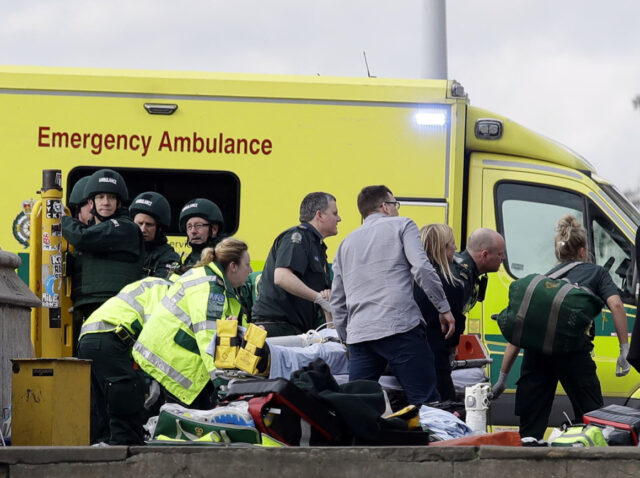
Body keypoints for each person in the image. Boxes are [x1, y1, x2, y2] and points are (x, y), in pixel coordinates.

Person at [491, 214, 631, 440]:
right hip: (573, 354)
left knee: (530, 430)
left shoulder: (546, 280)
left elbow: (521, 330)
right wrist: (624, 349)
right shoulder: (597, 272)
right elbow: (616, 304)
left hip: (536, 356)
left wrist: (502, 378)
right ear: (583, 250)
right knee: (593, 419)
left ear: (558, 252)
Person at [331, 185, 454, 405]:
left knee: (356, 407)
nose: (397, 210)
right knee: (426, 404)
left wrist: (346, 338)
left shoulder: (344, 244)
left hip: (361, 336)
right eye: (395, 204)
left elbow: (337, 300)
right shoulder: (403, 225)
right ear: (385, 207)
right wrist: (443, 308)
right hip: (400, 328)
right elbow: (422, 269)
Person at [133, 238, 252, 409]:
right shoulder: (210, 288)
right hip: (171, 360)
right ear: (233, 266)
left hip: (173, 355)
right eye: (247, 264)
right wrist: (223, 384)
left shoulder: (216, 282)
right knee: (185, 425)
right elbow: (209, 338)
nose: (250, 270)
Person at [77, 276, 172, 445]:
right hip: (109, 337)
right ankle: (123, 448)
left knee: (105, 402)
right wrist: (154, 377)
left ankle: (105, 444)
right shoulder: (165, 290)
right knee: (126, 392)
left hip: (89, 339)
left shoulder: (148, 285)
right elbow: (153, 337)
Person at [62, 168, 145, 351]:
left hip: (114, 308)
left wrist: (60, 219)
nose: (106, 202)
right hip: (88, 307)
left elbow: (82, 238)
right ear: (91, 202)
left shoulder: (125, 227)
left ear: (119, 202)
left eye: (111, 197)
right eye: (100, 197)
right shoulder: (93, 233)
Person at [251, 192, 341, 337]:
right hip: (276, 328)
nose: (339, 219)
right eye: (335, 213)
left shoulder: (317, 247)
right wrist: (318, 298)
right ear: (319, 215)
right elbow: (281, 277)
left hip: (295, 330)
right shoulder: (298, 237)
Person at [413, 224, 466, 402]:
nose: (456, 248)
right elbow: (454, 329)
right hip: (436, 358)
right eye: (452, 243)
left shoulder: (408, 281)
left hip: (407, 356)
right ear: (443, 247)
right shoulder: (452, 285)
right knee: (446, 408)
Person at [65, 175, 93, 354]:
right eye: (88, 205)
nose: (95, 209)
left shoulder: (105, 234)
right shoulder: (68, 235)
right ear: (78, 208)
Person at [130, 191, 181, 278]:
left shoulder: (169, 258)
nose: (143, 229)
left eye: (149, 225)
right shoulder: (122, 248)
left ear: (160, 228)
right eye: (139, 223)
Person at [179, 198, 225, 270]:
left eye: (198, 225)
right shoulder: (189, 259)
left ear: (214, 229)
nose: (193, 231)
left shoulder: (226, 257)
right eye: (189, 227)